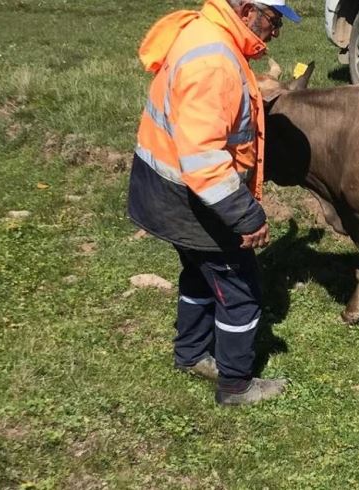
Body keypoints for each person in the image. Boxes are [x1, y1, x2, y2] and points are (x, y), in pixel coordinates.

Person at [127, 0, 301, 405]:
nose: (275, 32)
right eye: (273, 21)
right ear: (245, 9)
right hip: (192, 200)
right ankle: (235, 385)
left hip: (167, 192)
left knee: (198, 273)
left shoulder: (205, 35)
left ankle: (190, 355)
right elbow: (204, 160)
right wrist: (246, 217)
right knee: (241, 290)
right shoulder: (214, 63)